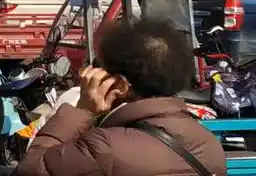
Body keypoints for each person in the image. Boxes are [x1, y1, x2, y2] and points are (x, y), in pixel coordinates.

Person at [15, 18, 227, 176]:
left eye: (99, 68)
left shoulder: (103, 148)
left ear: (118, 85)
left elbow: (29, 170)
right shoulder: (207, 143)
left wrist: (82, 111)